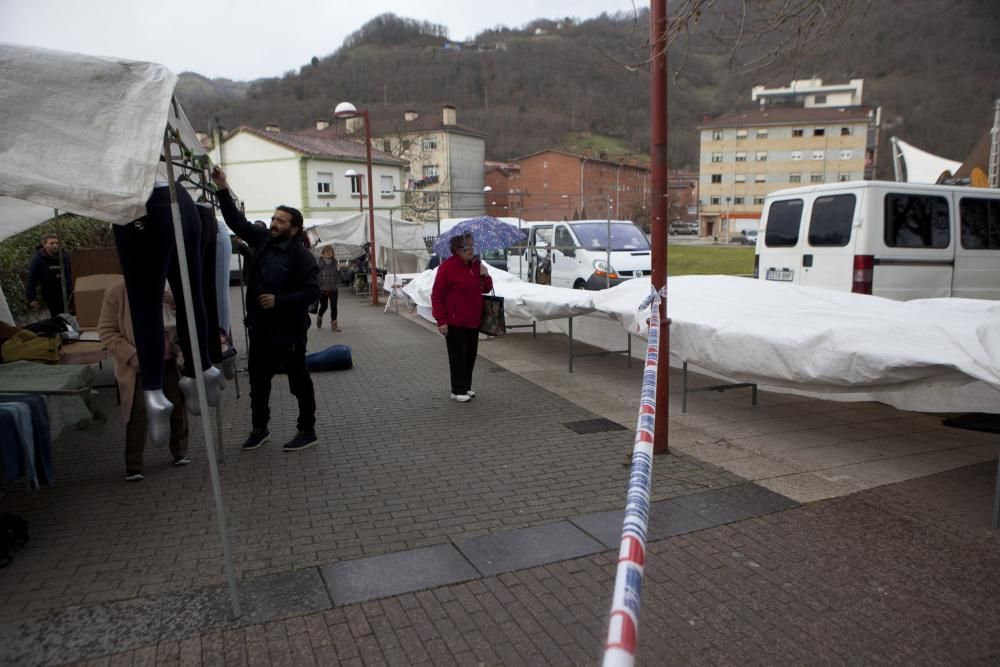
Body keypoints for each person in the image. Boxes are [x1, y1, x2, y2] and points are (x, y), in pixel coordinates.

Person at [210, 167, 320, 452]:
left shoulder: (302, 256)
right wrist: (222, 188)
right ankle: (260, 429)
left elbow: (312, 292)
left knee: (299, 383)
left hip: (290, 333)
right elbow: (236, 221)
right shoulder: (261, 241)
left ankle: (307, 430)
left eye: (280, 221)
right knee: (258, 384)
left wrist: (279, 301)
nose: (273, 223)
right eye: (273, 218)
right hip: (260, 330)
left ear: (294, 228)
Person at [98, 280, 190, 481]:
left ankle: (180, 451)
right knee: (138, 411)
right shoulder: (117, 292)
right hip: (138, 365)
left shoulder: (168, 287)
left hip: (169, 360)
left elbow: (187, 318)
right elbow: (106, 331)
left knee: (177, 404)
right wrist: (132, 356)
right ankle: (133, 465)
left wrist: (176, 301)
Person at [431, 233, 493, 402]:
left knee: (470, 356)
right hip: (455, 321)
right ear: (457, 250)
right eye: (467, 247)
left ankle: (465, 386)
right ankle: (457, 389)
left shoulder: (476, 265)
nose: (471, 251)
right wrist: (441, 321)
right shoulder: (447, 268)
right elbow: (437, 295)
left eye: (473, 247)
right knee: (458, 356)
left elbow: (486, 289)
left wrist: (485, 275)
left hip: (473, 319)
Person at [26, 233, 72, 317]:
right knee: (59, 320)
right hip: (52, 297)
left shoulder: (65, 256)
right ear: (44, 245)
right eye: (52, 243)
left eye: (57, 243)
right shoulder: (37, 260)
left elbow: (72, 272)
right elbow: (31, 280)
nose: (55, 245)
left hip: (69, 294)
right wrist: (32, 299)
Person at [315, 245, 341, 331]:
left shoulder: (335, 262)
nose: (329, 253)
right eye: (327, 251)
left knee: (334, 307)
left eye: (330, 251)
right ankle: (320, 316)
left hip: (333, 289)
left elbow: (338, 276)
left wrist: (340, 270)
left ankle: (334, 325)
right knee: (324, 306)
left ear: (332, 253)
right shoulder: (320, 263)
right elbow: (317, 276)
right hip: (323, 289)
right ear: (323, 253)